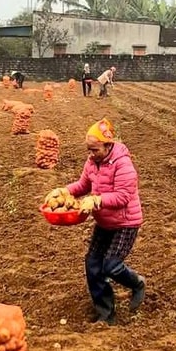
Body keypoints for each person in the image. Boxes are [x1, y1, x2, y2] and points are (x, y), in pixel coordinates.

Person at [48, 118, 145, 325]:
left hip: (125, 223)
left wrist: (97, 200)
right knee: (92, 264)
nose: (91, 154)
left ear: (108, 145)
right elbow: (83, 185)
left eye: (95, 149)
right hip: (104, 222)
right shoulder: (92, 162)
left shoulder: (123, 164)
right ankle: (106, 314)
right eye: (89, 150)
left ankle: (137, 283)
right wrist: (65, 190)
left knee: (111, 266)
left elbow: (123, 196)